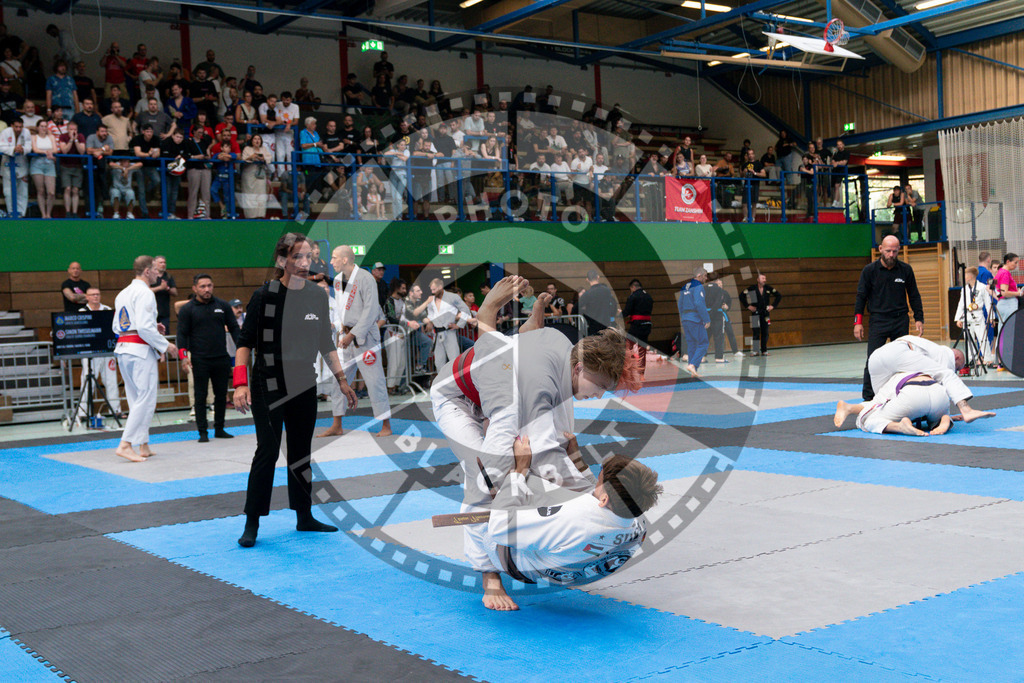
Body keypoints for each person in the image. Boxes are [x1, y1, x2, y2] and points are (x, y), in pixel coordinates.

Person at [430, 276, 653, 610]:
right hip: (457, 399)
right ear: (579, 368)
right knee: (484, 477)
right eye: (600, 385)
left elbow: (530, 337)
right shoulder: (531, 392)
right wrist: (489, 307)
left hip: (497, 386)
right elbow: (492, 348)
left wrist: (536, 313)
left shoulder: (563, 348)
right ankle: (489, 578)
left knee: (556, 457)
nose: (600, 394)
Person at [233, 233, 357, 548]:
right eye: (296, 257)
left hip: (304, 381)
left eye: (307, 257)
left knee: (301, 451)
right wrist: (239, 384)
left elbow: (325, 344)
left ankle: (304, 516)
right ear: (282, 261)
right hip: (269, 383)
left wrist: (342, 380)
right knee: (268, 450)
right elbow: (245, 343)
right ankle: (252, 522)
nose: (303, 263)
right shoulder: (265, 296)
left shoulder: (317, 296)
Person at [316, 246, 392, 438]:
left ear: (344, 260)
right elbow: (343, 308)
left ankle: (386, 424)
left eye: (334, 258)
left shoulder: (366, 278)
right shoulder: (340, 281)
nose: (331, 261)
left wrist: (354, 333)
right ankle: (337, 423)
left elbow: (371, 311)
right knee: (338, 379)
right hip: (347, 337)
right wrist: (344, 331)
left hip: (366, 338)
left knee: (374, 381)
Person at [112, 256, 179, 462]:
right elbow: (142, 327)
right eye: (156, 271)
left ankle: (143, 444)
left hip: (124, 347)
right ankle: (125, 444)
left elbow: (119, 326)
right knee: (145, 397)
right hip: (140, 350)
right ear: (147, 270)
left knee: (135, 399)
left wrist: (152, 326)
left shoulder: (123, 293)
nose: (159, 274)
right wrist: (165, 345)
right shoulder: (146, 293)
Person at [861, 335, 994, 424]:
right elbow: (942, 383)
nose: (957, 371)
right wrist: (944, 415)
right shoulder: (945, 354)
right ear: (957, 358)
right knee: (946, 374)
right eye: (958, 367)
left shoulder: (930, 348)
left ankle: (861, 415)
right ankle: (966, 410)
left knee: (881, 399)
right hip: (898, 352)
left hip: (876, 358)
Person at [854, 235, 924, 400]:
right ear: (880, 249)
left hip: (900, 320)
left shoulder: (905, 270)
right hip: (878, 319)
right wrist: (858, 322)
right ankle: (869, 397)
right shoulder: (869, 271)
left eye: (894, 251)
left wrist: (919, 318)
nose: (891, 254)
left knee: (901, 359)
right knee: (872, 359)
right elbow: (860, 297)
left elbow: (914, 295)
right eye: (888, 251)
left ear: (899, 249)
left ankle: (900, 393)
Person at [176, 274, 241, 443]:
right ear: (195, 288)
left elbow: (234, 328)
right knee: (200, 395)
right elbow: (181, 335)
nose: (207, 289)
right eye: (203, 286)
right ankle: (202, 432)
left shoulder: (223, 306)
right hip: (199, 358)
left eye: (209, 286)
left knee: (221, 395)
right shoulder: (188, 309)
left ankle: (219, 428)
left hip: (220, 357)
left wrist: (242, 348)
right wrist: (183, 357)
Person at [834, 371, 954, 437]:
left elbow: (876, 404)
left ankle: (900, 427)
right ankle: (943, 419)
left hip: (913, 395)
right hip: (939, 392)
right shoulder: (921, 371)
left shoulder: (894, 377)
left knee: (870, 420)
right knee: (932, 414)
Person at [425, 278, 473, 369]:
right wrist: (430, 322)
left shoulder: (453, 297)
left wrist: (459, 325)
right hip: (438, 333)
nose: (433, 291)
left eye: (434, 289)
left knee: (454, 359)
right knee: (439, 361)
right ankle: (441, 382)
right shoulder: (431, 300)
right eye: (431, 289)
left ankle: (456, 381)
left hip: (449, 332)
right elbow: (431, 313)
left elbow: (465, 310)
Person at [955, 267, 995, 368]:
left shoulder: (982, 287)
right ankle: (971, 359)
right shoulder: (964, 289)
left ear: (971, 276)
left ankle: (988, 360)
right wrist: (958, 318)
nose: (963, 277)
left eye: (965, 275)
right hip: (967, 316)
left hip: (978, 315)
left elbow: (988, 302)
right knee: (969, 339)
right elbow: (961, 304)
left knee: (982, 338)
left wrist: (991, 317)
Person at [678, 267, 710, 378]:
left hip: (686, 318)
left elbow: (680, 304)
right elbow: (699, 303)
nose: (706, 278)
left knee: (692, 344)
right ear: (699, 276)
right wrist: (706, 319)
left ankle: (693, 371)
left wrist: (683, 317)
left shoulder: (685, 286)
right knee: (703, 343)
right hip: (695, 318)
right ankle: (693, 365)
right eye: (705, 276)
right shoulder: (698, 286)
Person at [740, 273, 782, 357]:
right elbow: (741, 296)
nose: (765, 280)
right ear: (758, 280)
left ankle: (764, 350)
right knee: (755, 332)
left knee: (765, 332)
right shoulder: (752, 288)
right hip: (755, 313)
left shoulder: (768, 288)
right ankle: (755, 351)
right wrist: (748, 306)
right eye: (763, 278)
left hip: (765, 313)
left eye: (765, 278)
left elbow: (779, 296)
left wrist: (773, 306)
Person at [0, 116, 29, 216]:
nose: (18, 129)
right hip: (7, 164)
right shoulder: (5, 132)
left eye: (20, 127)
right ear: (11, 126)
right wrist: (13, 149)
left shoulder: (26, 132)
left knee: (22, 192)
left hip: (22, 164)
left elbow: (29, 147)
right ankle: (11, 213)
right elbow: (1, 147)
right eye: (16, 127)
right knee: (8, 192)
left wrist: (23, 149)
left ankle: (21, 214)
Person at [578, 269, 618, 336]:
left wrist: (585, 313)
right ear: (598, 277)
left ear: (587, 279)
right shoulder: (607, 291)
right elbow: (613, 305)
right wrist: (611, 315)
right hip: (606, 324)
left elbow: (577, 308)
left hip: (593, 325)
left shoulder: (587, 294)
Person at [150, 255, 177, 331]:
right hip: (152, 311)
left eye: (164, 262)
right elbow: (147, 291)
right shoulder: (151, 277)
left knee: (164, 333)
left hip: (164, 312)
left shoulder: (168, 276)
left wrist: (167, 288)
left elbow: (175, 292)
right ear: (155, 264)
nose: (163, 264)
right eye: (160, 262)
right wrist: (160, 288)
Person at [622, 279, 653, 344]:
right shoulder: (649, 296)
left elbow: (627, 311)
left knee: (629, 343)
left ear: (633, 287)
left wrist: (620, 314)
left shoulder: (633, 296)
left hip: (637, 325)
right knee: (643, 345)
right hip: (647, 324)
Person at [993, 253, 1022, 324]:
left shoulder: (1000, 272)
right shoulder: (1005, 273)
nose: (1017, 265)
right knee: (1009, 329)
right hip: (1008, 304)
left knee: (1003, 329)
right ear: (1008, 262)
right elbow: (1004, 292)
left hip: (1004, 304)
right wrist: (1018, 293)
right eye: (1015, 262)